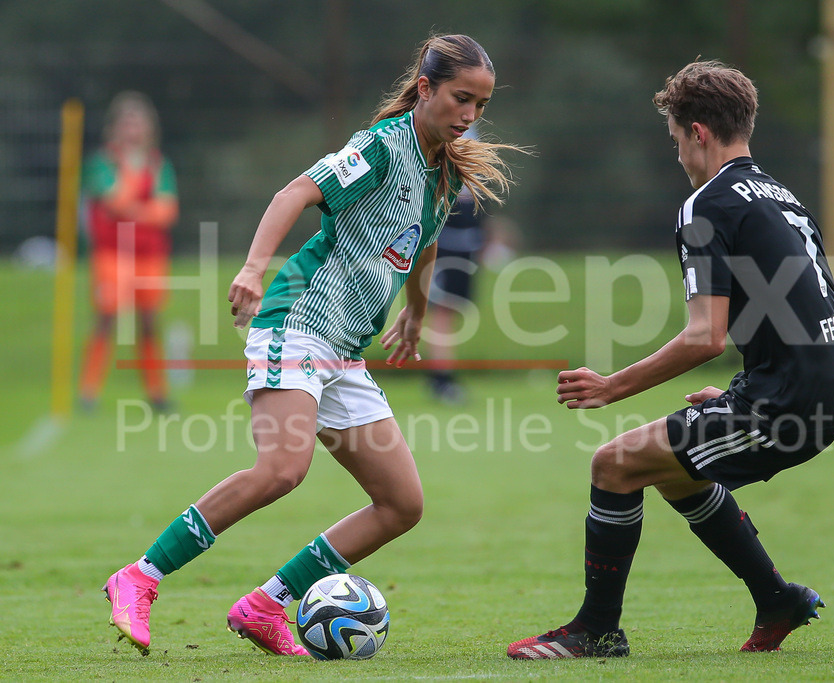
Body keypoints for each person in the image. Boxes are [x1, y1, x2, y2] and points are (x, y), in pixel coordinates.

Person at [103, 34, 521, 657]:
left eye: (481, 105)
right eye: (462, 98)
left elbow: (423, 237)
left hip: (344, 348)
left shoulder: (442, 170)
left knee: (401, 503)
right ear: (427, 88)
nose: (470, 115)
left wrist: (414, 313)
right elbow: (294, 193)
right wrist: (251, 268)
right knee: (281, 469)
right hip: (297, 319)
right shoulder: (383, 144)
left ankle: (267, 603)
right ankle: (140, 577)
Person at [507, 60, 834, 659]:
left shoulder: (707, 205)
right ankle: (777, 599)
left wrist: (612, 387)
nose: (678, 157)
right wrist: (746, 390)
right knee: (672, 470)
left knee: (613, 464)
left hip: (790, 398)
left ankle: (596, 631)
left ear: (697, 132)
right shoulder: (782, 197)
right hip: (828, 383)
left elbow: (705, 337)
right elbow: (806, 308)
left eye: (675, 141)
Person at [79, 91, 179, 412]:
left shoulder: (160, 164)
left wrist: (131, 210)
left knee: (149, 321)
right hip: (112, 254)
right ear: (115, 127)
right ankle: (88, 392)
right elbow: (113, 198)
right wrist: (140, 205)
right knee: (106, 317)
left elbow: (166, 212)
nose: (132, 129)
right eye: (126, 122)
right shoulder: (101, 163)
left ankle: (157, 393)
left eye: (138, 122)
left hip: (149, 255)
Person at [424, 178, 487, 404]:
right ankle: (441, 380)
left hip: (467, 244)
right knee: (442, 311)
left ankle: (443, 377)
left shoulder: (475, 141)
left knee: (451, 310)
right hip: (444, 244)